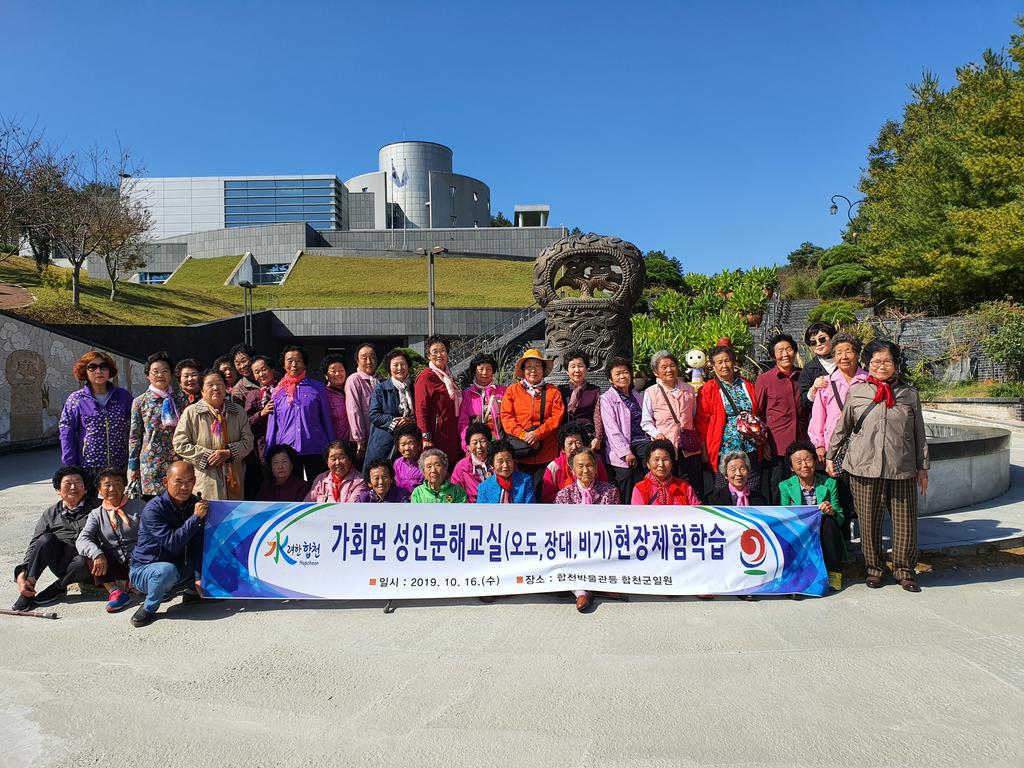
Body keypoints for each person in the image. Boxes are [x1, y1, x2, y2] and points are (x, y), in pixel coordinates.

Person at [827, 340, 929, 593]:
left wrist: (923, 467)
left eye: (887, 361)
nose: (881, 366)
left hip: (901, 467)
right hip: (863, 467)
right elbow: (844, 427)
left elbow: (919, 434)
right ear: (868, 365)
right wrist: (831, 455)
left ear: (895, 364)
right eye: (876, 362)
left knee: (905, 523)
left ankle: (904, 570)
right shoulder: (858, 392)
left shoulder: (909, 394)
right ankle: (873, 569)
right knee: (868, 522)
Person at [128, 461, 208, 627]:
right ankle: (149, 607)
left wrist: (200, 577)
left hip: (179, 566)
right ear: (166, 482)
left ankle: (192, 591)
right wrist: (195, 519)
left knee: (213, 553)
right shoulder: (153, 509)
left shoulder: (194, 504)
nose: (184, 487)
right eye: (178, 481)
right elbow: (172, 543)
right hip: (146, 569)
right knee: (166, 571)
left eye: (189, 482)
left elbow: (197, 544)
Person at [808, 332, 868, 542]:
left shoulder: (869, 381)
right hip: (836, 446)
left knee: (864, 493)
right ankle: (843, 541)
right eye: (839, 352)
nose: (844, 357)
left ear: (857, 354)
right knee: (840, 493)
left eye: (848, 351)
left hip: (864, 445)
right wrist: (819, 446)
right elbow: (818, 417)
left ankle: (868, 540)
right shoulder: (826, 383)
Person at [12, 466, 92, 612]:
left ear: (85, 488)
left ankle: (57, 588)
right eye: (67, 484)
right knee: (45, 540)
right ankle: (28, 588)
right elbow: (35, 545)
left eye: (78, 482)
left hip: (89, 564)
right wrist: (21, 573)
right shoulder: (50, 513)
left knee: (82, 560)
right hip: (62, 563)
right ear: (58, 491)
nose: (73, 487)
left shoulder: (97, 508)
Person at [554, 446, 621, 612]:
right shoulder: (563, 495)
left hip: (601, 544)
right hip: (576, 546)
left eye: (589, 465)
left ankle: (598, 585)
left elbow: (614, 524)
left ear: (596, 467)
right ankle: (581, 592)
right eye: (580, 466)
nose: (585, 470)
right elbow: (561, 529)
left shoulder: (610, 491)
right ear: (572, 469)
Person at [172, 370, 254, 500]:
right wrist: (208, 455)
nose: (215, 388)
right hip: (205, 480)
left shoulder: (238, 412)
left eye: (219, 384)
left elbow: (248, 442)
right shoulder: (191, 412)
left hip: (234, 481)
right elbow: (180, 444)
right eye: (210, 385)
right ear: (202, 390)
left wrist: (229, 453)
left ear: (226, 388)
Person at [696, 343, 763, 494]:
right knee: (723, 489)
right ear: (713, 366)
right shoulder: (708, 389)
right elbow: (701, 421)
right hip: (724, 447)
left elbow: (758, 413)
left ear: (734, 362)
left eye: (727, 360)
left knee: (752, 487)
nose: (724, 365)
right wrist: (703, 448)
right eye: (719, 362)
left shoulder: (747, 385)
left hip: (750, 445)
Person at [778, 441, 845, 592]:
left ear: (815, 461)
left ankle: (834, 573)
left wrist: (831, 511)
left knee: (829, 521)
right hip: (799, 531)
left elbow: (840, 517)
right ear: (791, 467)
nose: (805, 465)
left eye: (808, 460)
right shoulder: (785, 486)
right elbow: (784, 516)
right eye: (798, 462)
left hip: (823, 531)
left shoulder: (830, 483)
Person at [76, 466, 144, 612]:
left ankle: (137, 582)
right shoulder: (96, 514)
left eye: (118, 484)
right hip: (113, 564)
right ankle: (115, 591)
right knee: (90, 554)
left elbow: (152, 533)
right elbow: (83, 539)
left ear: (125, 486)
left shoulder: (139, 506)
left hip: (139, 558)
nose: (112, 489)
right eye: (107, 485)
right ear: (99, 489)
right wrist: (97, 554)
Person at [59, 350, 133, 479]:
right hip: (89, 466)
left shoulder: (123, 396)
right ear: (85, 371)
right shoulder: (76, 399)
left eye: (103, 367)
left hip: (119, 465)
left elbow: (136, 426)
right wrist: (70, 466)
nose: (99, 371)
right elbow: (66, 433)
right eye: (92, 367)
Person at [265, 345, 335, 480]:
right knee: (291, 491)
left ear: (304, 364)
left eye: (298, 361)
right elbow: (272, 424)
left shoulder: (317, 388)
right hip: (287, 451)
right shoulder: (277, 391)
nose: (293, 365)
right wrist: (269, 451)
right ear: (284, 364)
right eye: (289, 361)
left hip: (315, 448)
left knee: (317, 489)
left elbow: (326, 419)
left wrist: (332, 448)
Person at [499, 349, 566, 489]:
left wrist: (537, 434)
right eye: (529, 367)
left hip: (547, 451)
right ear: (523, 371)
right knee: (521, 492)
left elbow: (556, 418)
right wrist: (524, 435)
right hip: (520, 451)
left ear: (543, 369)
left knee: (544, 492)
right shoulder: (512, 390)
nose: (533, 370)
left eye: (537, 366)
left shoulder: (553, 391)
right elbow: (507, 417)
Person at [755, 334, 808, 505]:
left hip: (801, 443)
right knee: (777, 488)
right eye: (780, 351)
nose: (785, 354)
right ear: (773, 355)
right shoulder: (765, 379)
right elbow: (758, 414)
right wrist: (764, 443)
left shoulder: (803, 376)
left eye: (789, 349)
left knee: (802, 488)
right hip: (777, 445)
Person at [641, 350, 702, 493]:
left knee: (693, 486)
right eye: (664, 367)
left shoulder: (689, 390)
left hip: (689, 447)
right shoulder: (651, 392)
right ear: (656, 372)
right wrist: (656, 433)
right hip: (666, 447)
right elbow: (646, 421)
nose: (669, 370)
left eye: (672, 365)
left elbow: (693, 415)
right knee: (670, 487)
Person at [128, 351, 178, 499]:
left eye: (165, 371)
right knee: (153, 506)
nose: (160, 375)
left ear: (171, 375)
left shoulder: (180, 399)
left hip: (177, 462)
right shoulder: (140, 402)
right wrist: (133, 465)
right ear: (147, 375)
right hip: (151, 465)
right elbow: (135, 436)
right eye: (155, 372)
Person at [599, 356, 649, 504]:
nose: (622, 376)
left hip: (642, 441)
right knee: (626, 476)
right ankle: (626, 512)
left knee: (654, 464)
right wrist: (626, 452)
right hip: (620, 448)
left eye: (625, 372)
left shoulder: (637, 395)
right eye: (618, 374)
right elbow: (612, 429)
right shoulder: (606, 399)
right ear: (610, 379)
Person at [415, 334, 463, 465]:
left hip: (452, 434)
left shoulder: (448, 376)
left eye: (442, 351)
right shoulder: (426, 377)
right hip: (437, 436)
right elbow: (421, 410)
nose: (439, 355)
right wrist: (425, 436)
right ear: (428, 356)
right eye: (434, 352)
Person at [366, 348, 416, 467]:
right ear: (389, 368)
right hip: (385, 442)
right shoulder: (381, 388)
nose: (399, 368)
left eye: (403, 364)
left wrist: (411, 421)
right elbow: (374, 414)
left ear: (408, 366)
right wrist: (395, 422)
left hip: (409, 444)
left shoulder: (415, 386)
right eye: (395, 365)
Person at [540, 421, 609, 503]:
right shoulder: (554, 467)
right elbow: (547, 498)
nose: (574, 447)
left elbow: (604, 486)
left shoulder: (595, 462)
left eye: (578, 442)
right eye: (570, 443)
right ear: (563, 448)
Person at [558, 350, 604, 451]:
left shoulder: (594, 390)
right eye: (573, 366)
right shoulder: (559, 391)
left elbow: (598, 416)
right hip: (566, 439)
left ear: (586, 369)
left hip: (588, 438)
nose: (577, 370)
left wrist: (598, 438)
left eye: (580, 366)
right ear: (567, 371)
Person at [631, 440, 702, 505]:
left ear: (671, 463)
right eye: (656, 459)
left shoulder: (684, 486)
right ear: (648, 464)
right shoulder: (640, 488)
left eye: (665, 459)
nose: (661, 464)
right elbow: (638, 516)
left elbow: (697, 513)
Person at [458, 352, 506, 446]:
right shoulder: (467, 394)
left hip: (500, 444)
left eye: (488, 369)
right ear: (474, 371)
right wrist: (466, 444)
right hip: (477, 446)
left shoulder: (504, 392)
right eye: (481, 369)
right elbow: (463, 424)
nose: (485, 372)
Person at [345, 343, 379, 468]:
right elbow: (354, 410)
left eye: (372, 357)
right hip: (362, 440)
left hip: (378, 438)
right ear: (357, 361)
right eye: (364, 358)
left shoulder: (380, 380)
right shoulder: (354, 380)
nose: (369, 361)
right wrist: (360, 439)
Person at [477, 439, 536, 504]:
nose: (505, 465)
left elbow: (530, 507)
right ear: (492, 464)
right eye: (500, 461)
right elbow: (482, 511)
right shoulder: (484, 488)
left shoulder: (525, 481)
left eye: (508, 460)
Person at [450, 422, 493, 503]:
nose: (479, 446)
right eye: (475, 442)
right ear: (468, 446)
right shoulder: (462, 466)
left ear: (489, 443)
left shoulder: (498, 461)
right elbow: (455, 493)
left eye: (483, 441)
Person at [798, 322, 838, 404]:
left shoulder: (846, 361)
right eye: (813, 342)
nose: (818, 344)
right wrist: (813, 389)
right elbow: (804, 402)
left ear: (832, 338)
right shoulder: (808, 369)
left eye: (822, 339)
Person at [322, 353, 353, 452]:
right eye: (333, 371)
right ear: (326, 375)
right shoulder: (322, 394)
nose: (338, 374)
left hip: (352, 443)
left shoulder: (351, 390)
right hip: (332, 446)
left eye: (341, 370)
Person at [392, 422, 425, 493]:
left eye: (410, 443)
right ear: (398, 448)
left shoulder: (426, 463)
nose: (407, 448)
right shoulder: (397, 463)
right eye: (403, 444)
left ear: (419, 445)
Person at [228, 343, 259, 408]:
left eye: (244, 361)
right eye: (238, 364)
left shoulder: (270, 375)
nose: (242, 366)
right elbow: (240, 416)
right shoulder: (238, 390)